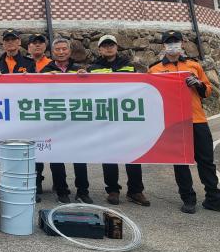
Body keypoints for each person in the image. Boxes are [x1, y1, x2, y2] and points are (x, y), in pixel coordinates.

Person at [149, 30, 220, 214]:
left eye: (175, 41)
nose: (172, 45)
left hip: (197, 119)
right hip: (173, 123)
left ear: (182, 43)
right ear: (164, 45)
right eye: (169, 42)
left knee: (206, 160)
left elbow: (208, 90)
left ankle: (214, 198)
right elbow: (151, 96)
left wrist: (198, 84)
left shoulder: (193, 65)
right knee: (180, 162)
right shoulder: (154, 69)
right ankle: (188, 199)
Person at [88, 34, 150, 206]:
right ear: (99, 49)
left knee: (133, 154)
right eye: (105, 45)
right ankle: (112, 190)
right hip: (105, 117)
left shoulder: (129, 67)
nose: (108, 48)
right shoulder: (92, 68)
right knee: (109, 154)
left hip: (126, 117)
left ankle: (135, 191)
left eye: (111, 45)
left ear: (117, 47)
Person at [39, 37, 93, 203]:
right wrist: (45, 79)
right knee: (56, 157)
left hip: (75, 120)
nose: (61, 52)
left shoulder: (78, 69)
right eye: (58, 49)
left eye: (64, 49)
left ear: (70, 51)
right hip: (54, 120)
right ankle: (62, 191)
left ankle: (83, 191)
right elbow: (37, 92)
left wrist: (86, 78)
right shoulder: (45, 70)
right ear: (52, 52)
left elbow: (90, 91)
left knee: (79, 157)